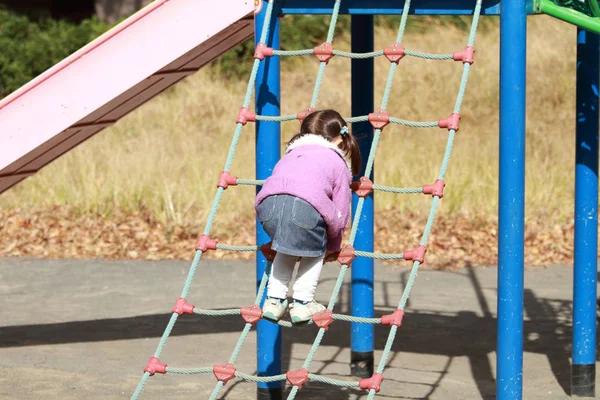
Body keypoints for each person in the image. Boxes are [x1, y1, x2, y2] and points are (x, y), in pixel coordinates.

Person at [254, 109, 361, 323]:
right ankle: (303, 303)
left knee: (284, 248)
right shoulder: (337, 162)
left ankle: (273, 301)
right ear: (340, 139)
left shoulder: (291, 154)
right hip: (304, 208)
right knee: (314, 253)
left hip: (266, 208)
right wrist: (333, 245)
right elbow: (340, 211)